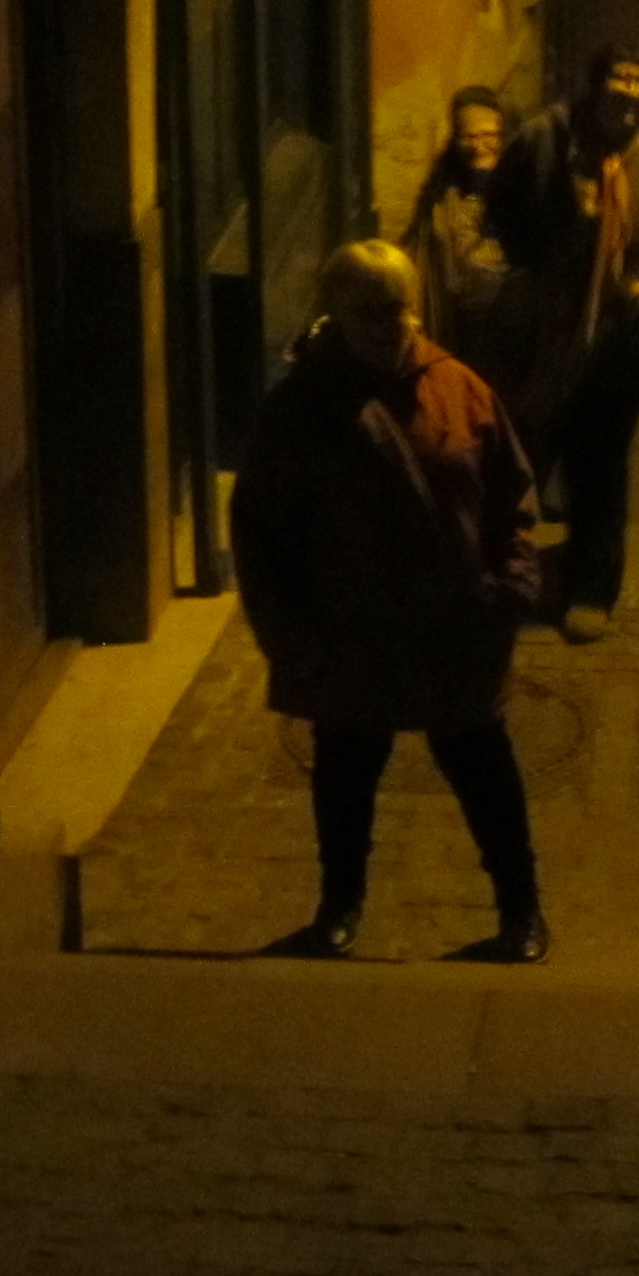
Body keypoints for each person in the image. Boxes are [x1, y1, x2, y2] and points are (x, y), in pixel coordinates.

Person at [228, 241, 550, 961]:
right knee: (345, 778)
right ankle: (339, 906)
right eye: (367, 308)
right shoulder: (302, 408)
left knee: (485, 775)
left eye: (398, 305)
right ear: (335, 312)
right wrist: (291, 639)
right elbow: (261, 532)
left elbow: (511, 494)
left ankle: (521, 910)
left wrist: (511, 585)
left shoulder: (459, 388)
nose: (388, 322)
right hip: (353, 633)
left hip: (454, 626)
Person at [483, 45, 639, 639]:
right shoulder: (544, 142)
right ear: (594, 87)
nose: (634, 93)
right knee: (520, 456)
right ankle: (502, 577)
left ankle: (592, 587)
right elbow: (500, 210)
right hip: (541, 339)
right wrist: (532, 275)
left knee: (600, 463)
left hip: (621, 343)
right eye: (622, 78)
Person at [403, 85, 527, 404]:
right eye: (468, 136)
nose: (479, 146)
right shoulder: (442, 195)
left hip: (516, 327)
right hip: (459, 326)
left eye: (490, 135)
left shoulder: (528, 188)